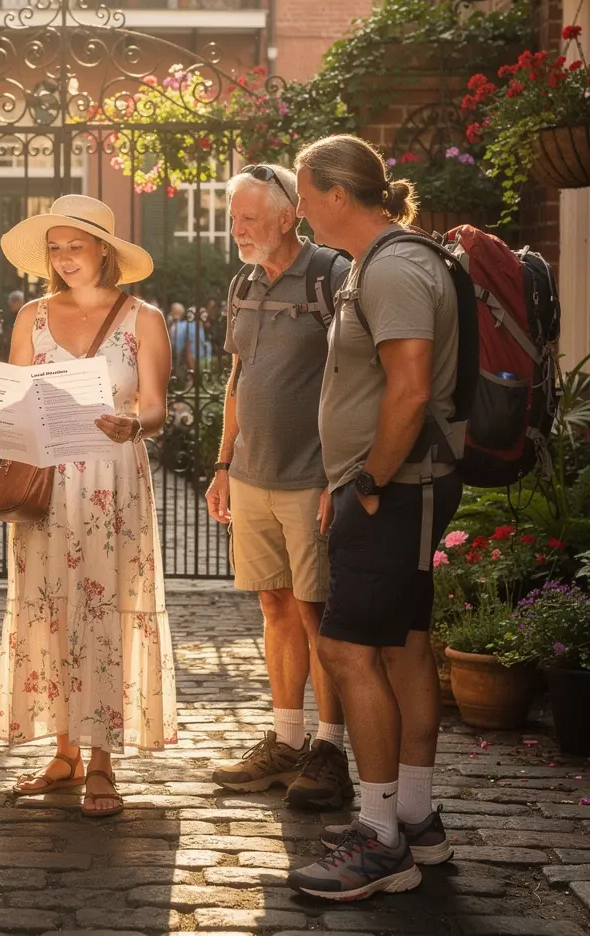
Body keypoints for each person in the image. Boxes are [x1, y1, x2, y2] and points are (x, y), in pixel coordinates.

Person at [0, 194, 178, 817]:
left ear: (105, 249)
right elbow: (17, 402)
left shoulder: (143, 318)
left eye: (76, 244)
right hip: (48, 480)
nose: (65, 257)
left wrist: (135, 425)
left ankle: (102, 759)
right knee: (50, 607)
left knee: (103, 608)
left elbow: (154, 403)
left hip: (112, 481)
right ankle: (64, 752)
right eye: (56, 247)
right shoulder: (32, 315)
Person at [287, 135, 462, 900]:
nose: (297, 208)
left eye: (301, 192)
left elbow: (411, 389)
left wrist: (367, 483)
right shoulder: (381, 263)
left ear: (335, 194)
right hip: (395, 488)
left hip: (395, 489)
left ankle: (381, 836)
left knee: (348, 652)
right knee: (404, 648)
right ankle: (416, 818)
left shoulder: (393, 267)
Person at [206, 164, 352, 810]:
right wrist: (220, 466)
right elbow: (237, 380)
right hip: (252, 477)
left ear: (287, 216)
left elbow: (355, 382)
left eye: (248, 217)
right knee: (273, 606)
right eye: (233, 217)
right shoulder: (242, 283)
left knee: (316, 611)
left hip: (310, 478)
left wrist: (337, 476)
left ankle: (329, 749)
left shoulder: (332, 277)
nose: (237, 228)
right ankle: (286, 740)